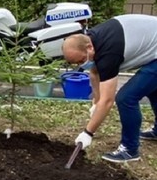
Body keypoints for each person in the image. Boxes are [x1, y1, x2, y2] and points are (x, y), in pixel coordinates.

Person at [62, 14, 157, 163]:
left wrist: (88, 132)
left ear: (89, 47)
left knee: (126, 98)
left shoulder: (109, 52)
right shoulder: (92, 39)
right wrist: (96, 101)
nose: (81, 65)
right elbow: (94, 72)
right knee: (152, 88)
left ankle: (130, 150)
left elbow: (108, 101)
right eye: (76, 63)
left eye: (81, 60)